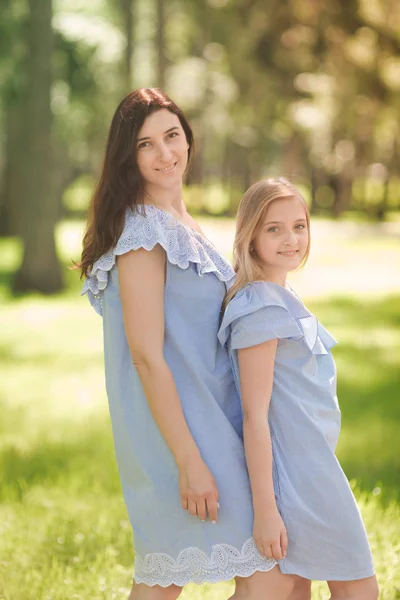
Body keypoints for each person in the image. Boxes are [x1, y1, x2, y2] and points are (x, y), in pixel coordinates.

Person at [79, 90, 295, 600]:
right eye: (145, 144)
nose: (165, 153)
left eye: (172, 136)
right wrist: (188, 461)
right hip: (181, 431)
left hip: (213, 417)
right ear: (128, 158)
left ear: (188, 139)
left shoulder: (183, 225)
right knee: (267, 570)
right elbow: (146, 357)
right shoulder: (141, 234)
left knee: (173, 577)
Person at [218, 178, 379, 600]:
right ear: (250, 236)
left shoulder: (280, 295)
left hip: (315, 464)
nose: (291, 239)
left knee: (290, 593)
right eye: (273, 228)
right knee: (358, 590)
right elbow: (254, 416)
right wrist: (267, 510)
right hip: (294, 476)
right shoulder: (259, 306)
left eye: (299, 226)